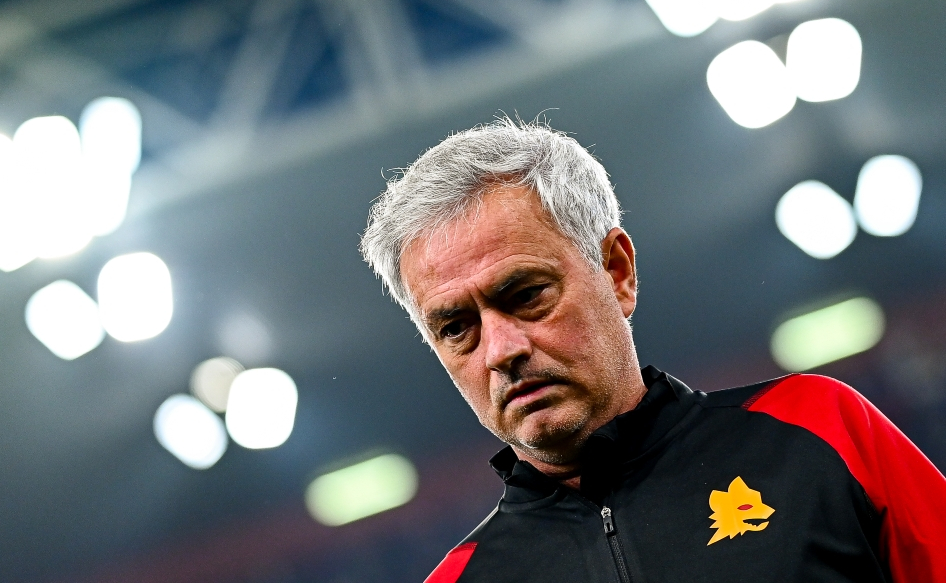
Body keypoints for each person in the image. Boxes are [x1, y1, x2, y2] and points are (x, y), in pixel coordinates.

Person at [359, 119, 946, 583]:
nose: (501, 350)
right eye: (457, 328)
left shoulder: (821, 430)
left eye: (527, 295)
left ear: (616, 271)